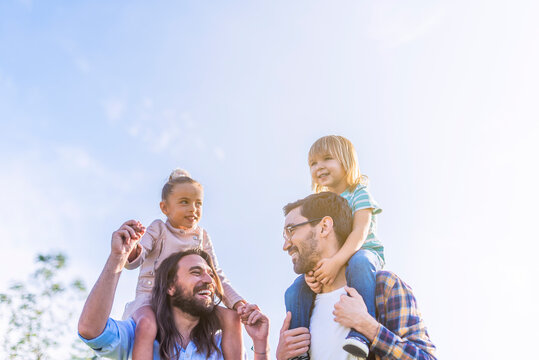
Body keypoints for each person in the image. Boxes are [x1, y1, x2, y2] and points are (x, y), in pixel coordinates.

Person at [78, 220, 270, 359]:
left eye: (210, 275)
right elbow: (91, 330)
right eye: (196, 272)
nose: (208, 280)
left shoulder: (222, 346)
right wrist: (117, 258)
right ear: (170, 286)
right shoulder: (139, 333)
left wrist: (261, 345)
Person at [279, 192, 436, 360]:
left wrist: (367, 326)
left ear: (324, 227)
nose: (285, 245)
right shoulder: (302, 302)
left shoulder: (385, 287)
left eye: (291, 230)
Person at [123, 169, 249, 360]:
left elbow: (217, 275)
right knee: (147, 324)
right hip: (152, 299)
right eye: (184, 202)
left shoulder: (201, 236)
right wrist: (131, 247)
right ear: (165, 207)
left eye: (198, 203)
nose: (193, 209)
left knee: (232, 318)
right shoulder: (158, 228)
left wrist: (237, 303)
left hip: (189, 302)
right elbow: (135, 259)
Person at [285, 135, 384, 359]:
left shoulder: (359, 192)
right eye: (313, 163)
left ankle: (360, 334)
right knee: (296, 290)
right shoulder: (321, 201)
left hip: (362, 253)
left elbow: (360, 233)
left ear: (346, 161)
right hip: (334, 262)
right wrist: (314, 272)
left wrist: (337, 262)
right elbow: (317, 244)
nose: (319, 167)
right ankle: (299, 350)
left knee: (359, 263)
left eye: (327, 159)